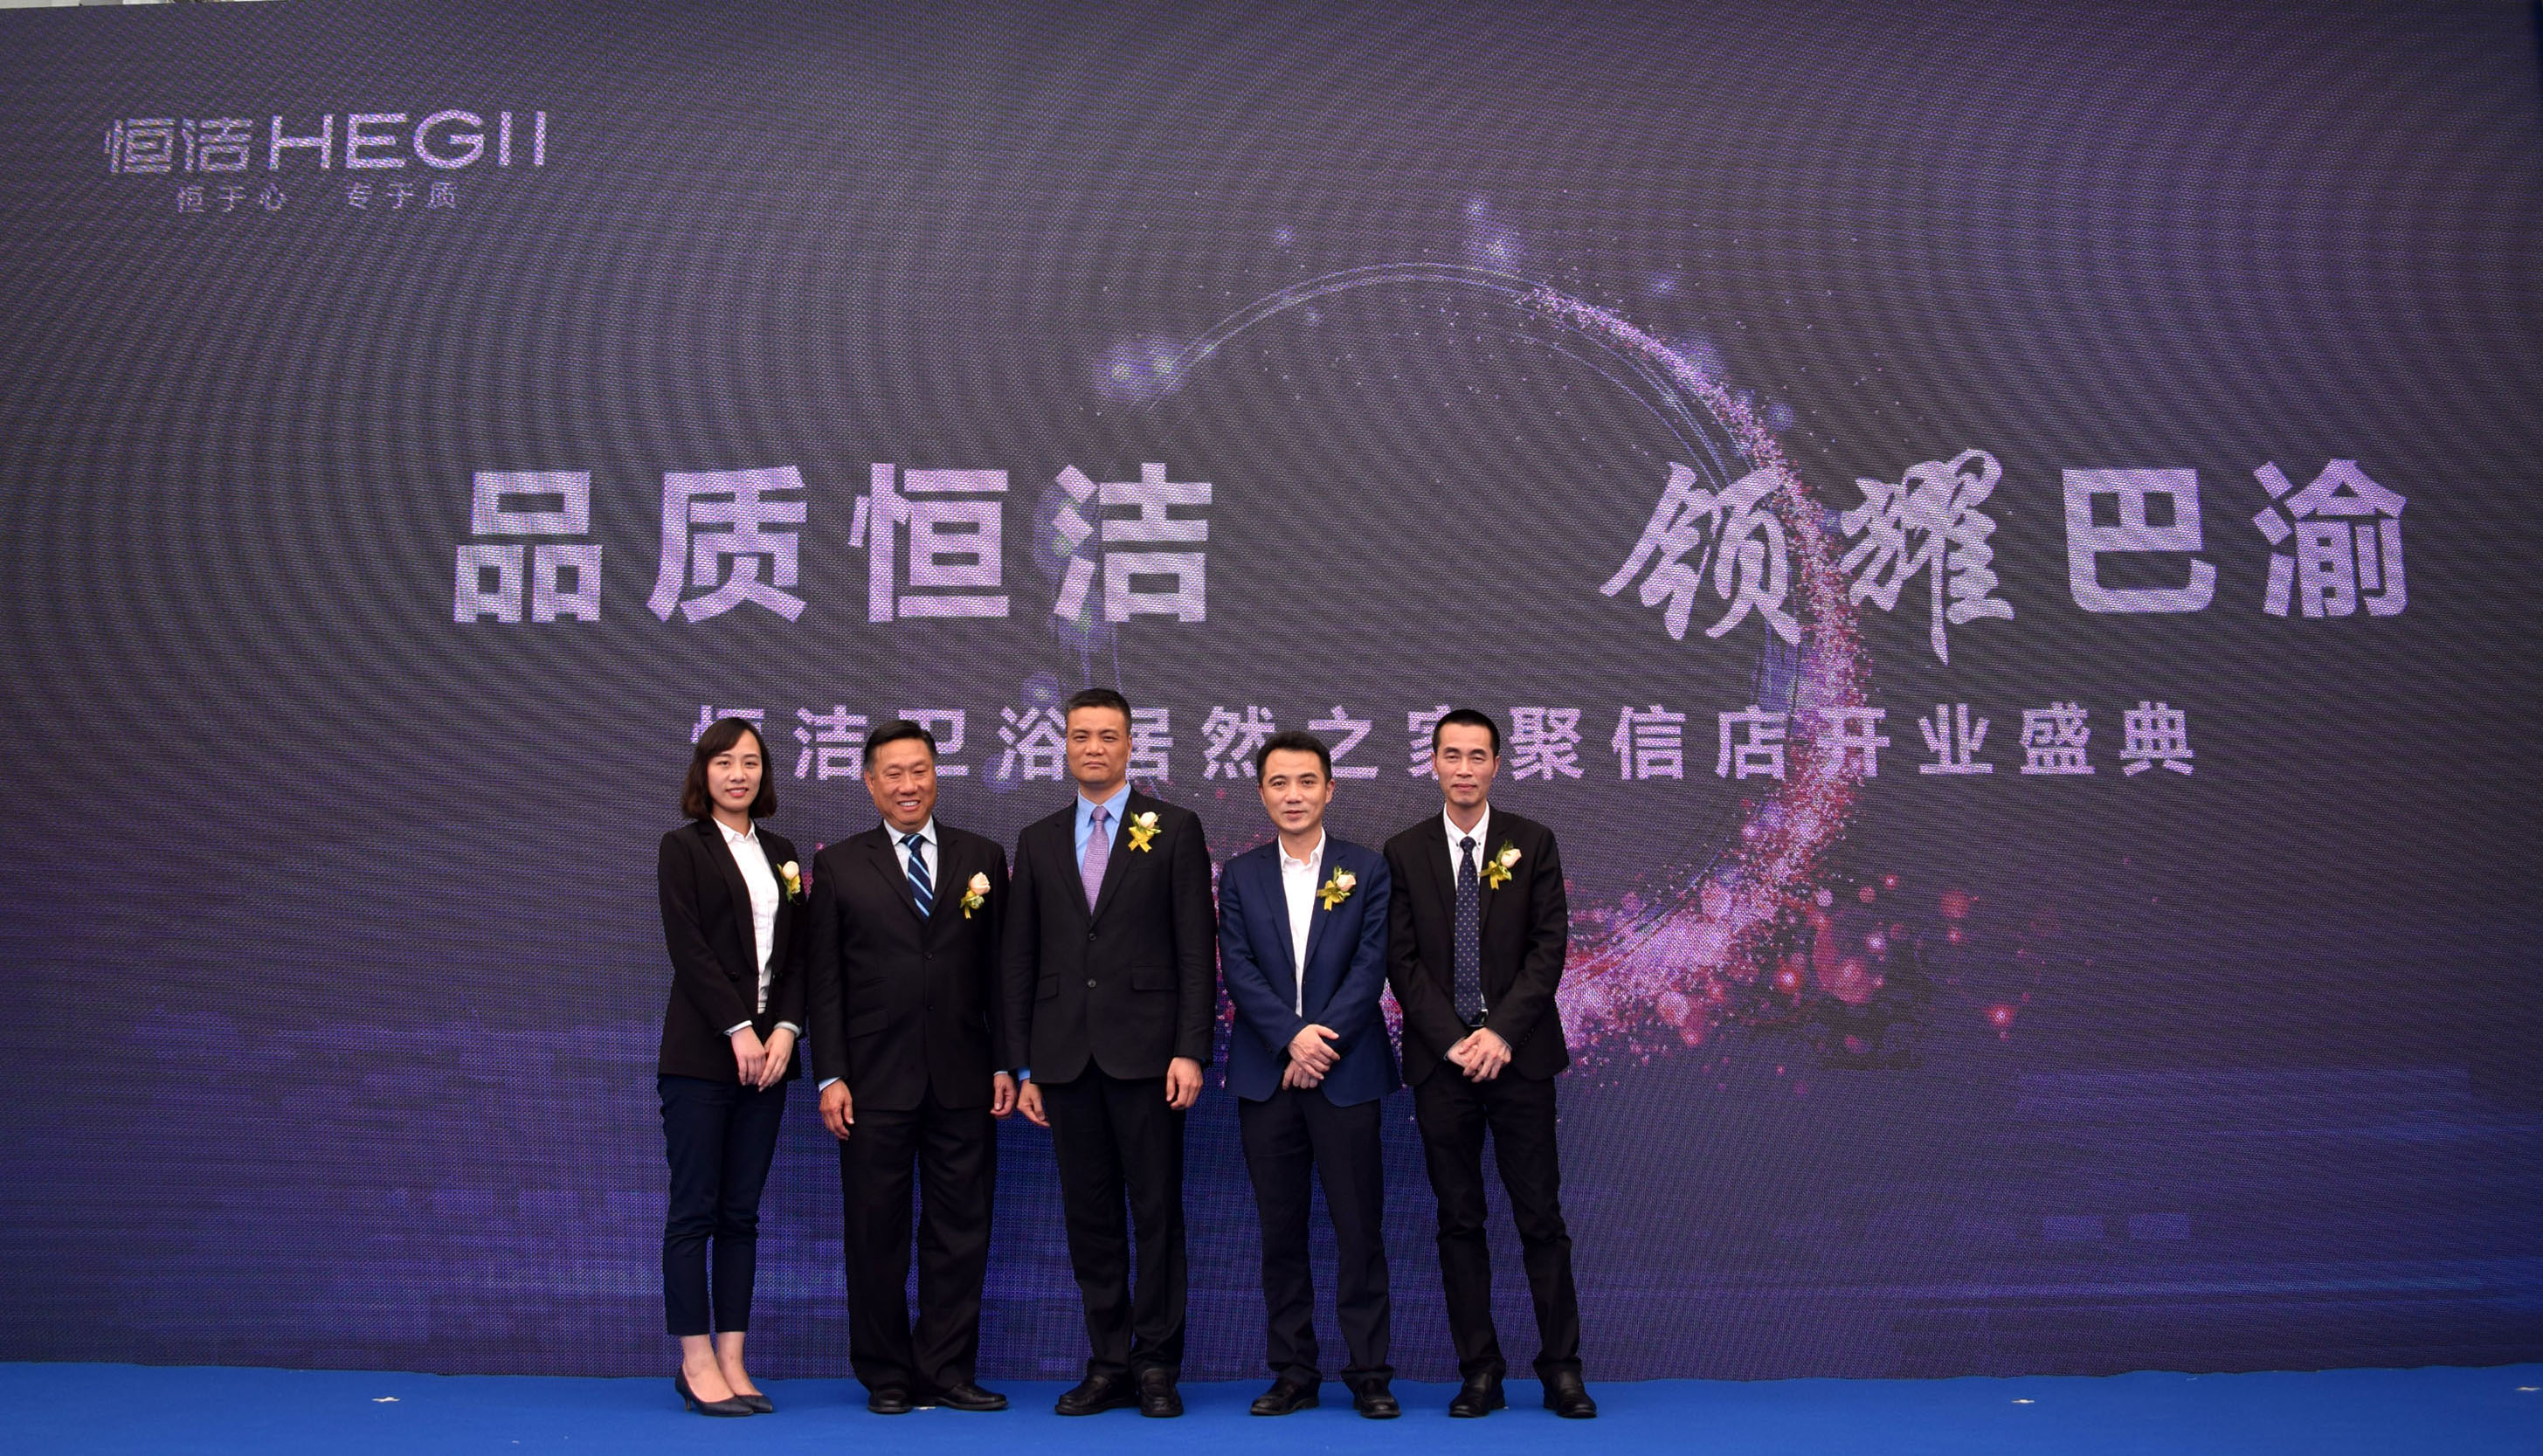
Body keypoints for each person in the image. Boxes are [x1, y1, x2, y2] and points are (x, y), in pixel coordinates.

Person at [999, 687, 1215, 1418]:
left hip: (1150, 1056)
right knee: (1088, 1218)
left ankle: (1156, 1364)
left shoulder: (1174, 827)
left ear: (1130, 745)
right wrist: (1024, 1065)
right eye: (1080, 735)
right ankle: (1108, 1362)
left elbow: (1196, 949)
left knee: (1156, 1213)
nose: (1093, 747)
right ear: (1063, 744)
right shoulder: (1036, 838)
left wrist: (1190, 1049)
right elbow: (1019, 958)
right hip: (1063, 1059)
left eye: (1108, 735)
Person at [1382, 708, 1596, 1419]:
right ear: (1433, 763)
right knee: (1458, 1220)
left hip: (1520, 1059)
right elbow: (1401, 960)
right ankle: (1479, 1371)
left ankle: (1561, 1369)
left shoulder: (1532, 842)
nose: (1464, 768)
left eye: (1477, 756)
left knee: (1540, 1218)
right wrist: (1453, 1039)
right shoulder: (1404, 850)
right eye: (1452, 755)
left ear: (1497, 765)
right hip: (1441, 1066)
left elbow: (1548, 948)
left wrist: (1500, 1032)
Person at [803, 720, 1016, 1415]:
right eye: (892, 773)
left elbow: (1001, 973)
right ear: (870, 783)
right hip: (871, 1079)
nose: (907, 785)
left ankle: (946, 1369)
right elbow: (824, 982)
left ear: (936, 775)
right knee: (876, 1231)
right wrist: (830, 1073)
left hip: (963, 1073)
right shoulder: (840, 865)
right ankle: (887, 1373)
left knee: (960, 1230)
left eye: (919, 770)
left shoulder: (981, 857)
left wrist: (1005, 1062)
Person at [1217, 730, 1400, 1419]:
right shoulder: (1240, 875)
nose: (1292, 795)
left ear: (1329, 788)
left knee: (1359, 1229)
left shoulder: (1367, 868)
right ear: (1261, 792)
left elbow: (1371, 965)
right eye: (1278, 782)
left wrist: (1318, 1043)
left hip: (1346, 1073)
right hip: (1267, 1076)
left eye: (1305, 781)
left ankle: (1370, 1371)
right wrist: (1289, 1038)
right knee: (1280, 1232)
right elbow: (1238, 969)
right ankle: (1292, 1371)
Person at [653, 716, 805, 1417]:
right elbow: (689, 948)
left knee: (741, 1214)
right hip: (700, 1056)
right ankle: (695, 1360)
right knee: (695, 1210)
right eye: (723, 762)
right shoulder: (682, 848)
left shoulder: (782, 852)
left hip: (768, 1061)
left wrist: (785, 1031)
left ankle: (735, 1359)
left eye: (749, 761)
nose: (737, 773)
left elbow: (798, 955)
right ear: (703, 773)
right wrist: (739, 1028)